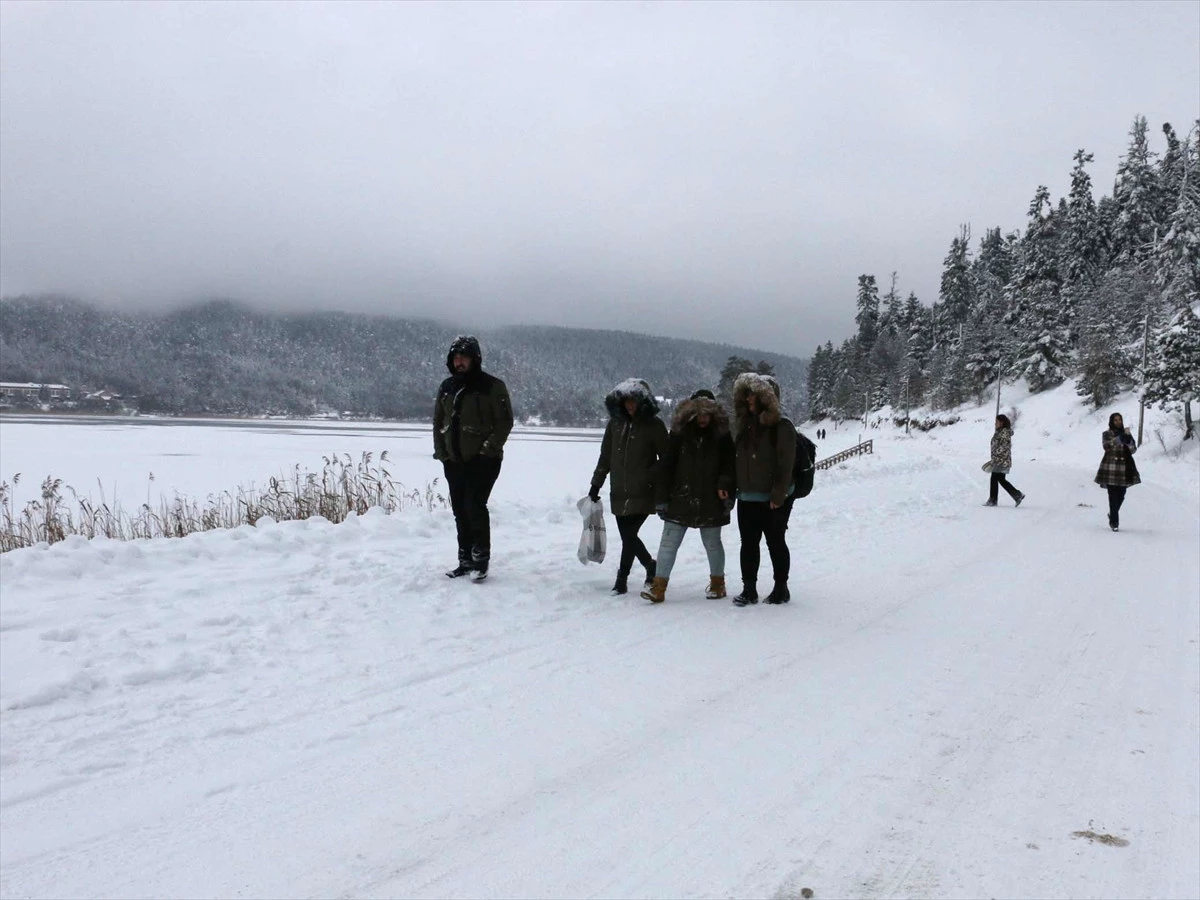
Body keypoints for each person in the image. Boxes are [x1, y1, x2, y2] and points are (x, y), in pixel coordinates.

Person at [641, 389, 735, 604]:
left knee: (712, 544)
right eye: (698, 414)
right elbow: (667, 466)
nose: (702, 419)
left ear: (713, 414)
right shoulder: (678, 435)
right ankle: (658, 587)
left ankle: (718, 584)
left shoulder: (722, 436)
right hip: (679, 498)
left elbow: (730, 466)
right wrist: (661, 499)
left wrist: (726, 488)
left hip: (712, 499)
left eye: (706, 414)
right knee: (667, 544)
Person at [433, 335, 513, 582]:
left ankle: (481, 560)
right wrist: (442, 453)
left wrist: (488, 449)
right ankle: (465, 560)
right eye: (455, 358)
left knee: (474, 505)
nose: (459, 362)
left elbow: (505, 422)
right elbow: (438, 422)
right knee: (460, 509)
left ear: (475, 359)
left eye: (464, 358)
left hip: (484, 461)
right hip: (454, 460)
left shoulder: (492, 386)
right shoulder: (447, 387)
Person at [589, 379, 669, 594]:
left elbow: (668, 458)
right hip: (619, 491)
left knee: (629, 535)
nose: (630, 405)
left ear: (643, 401)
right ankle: (648, 566)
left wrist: (651, 474)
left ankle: (623, 578)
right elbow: (605, 457)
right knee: (628, 536)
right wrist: (596, 484)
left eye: (634, 400)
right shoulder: (614, 424)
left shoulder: (654, 425)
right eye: (626, 401)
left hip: (644, 490)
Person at [731, 373, 797, 606]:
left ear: (765, 398)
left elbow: (785, 464)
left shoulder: (782, 427)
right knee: (748, 544)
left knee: (775, 542)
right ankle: (749, 588)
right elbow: (734, 460)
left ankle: (781, 587)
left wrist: (778, 495)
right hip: (747, 497)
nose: (749, 399)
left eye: (753, 395)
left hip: (772, 499)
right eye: (746, 394)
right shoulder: (744, 426)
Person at [1094, 412, 1140, 531]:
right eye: (1116, 420)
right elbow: (1106, 446)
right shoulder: (1107, 434)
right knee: (1112, 496)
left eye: (1120, 420)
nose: (1118, 422)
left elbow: (1133, 450)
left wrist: (1128, 440)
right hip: (1111, 468)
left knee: (1122, 495)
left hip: (1125, 468)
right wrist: (1119, 439)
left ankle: (1112, 513)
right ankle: (1114, 523)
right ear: (1111, 421)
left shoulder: (1127, 434)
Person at [985, 414, 1025, 507]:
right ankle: (1016, 495)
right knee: (1000, 479)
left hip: (1001, 460)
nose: (995, 424)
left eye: (997, 422)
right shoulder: (1001, 431)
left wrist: (996, 455)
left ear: (1002, 422)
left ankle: (993, 500)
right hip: (1000, 459)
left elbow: (1004, 446)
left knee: (995, 478)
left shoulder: (1004, 432)